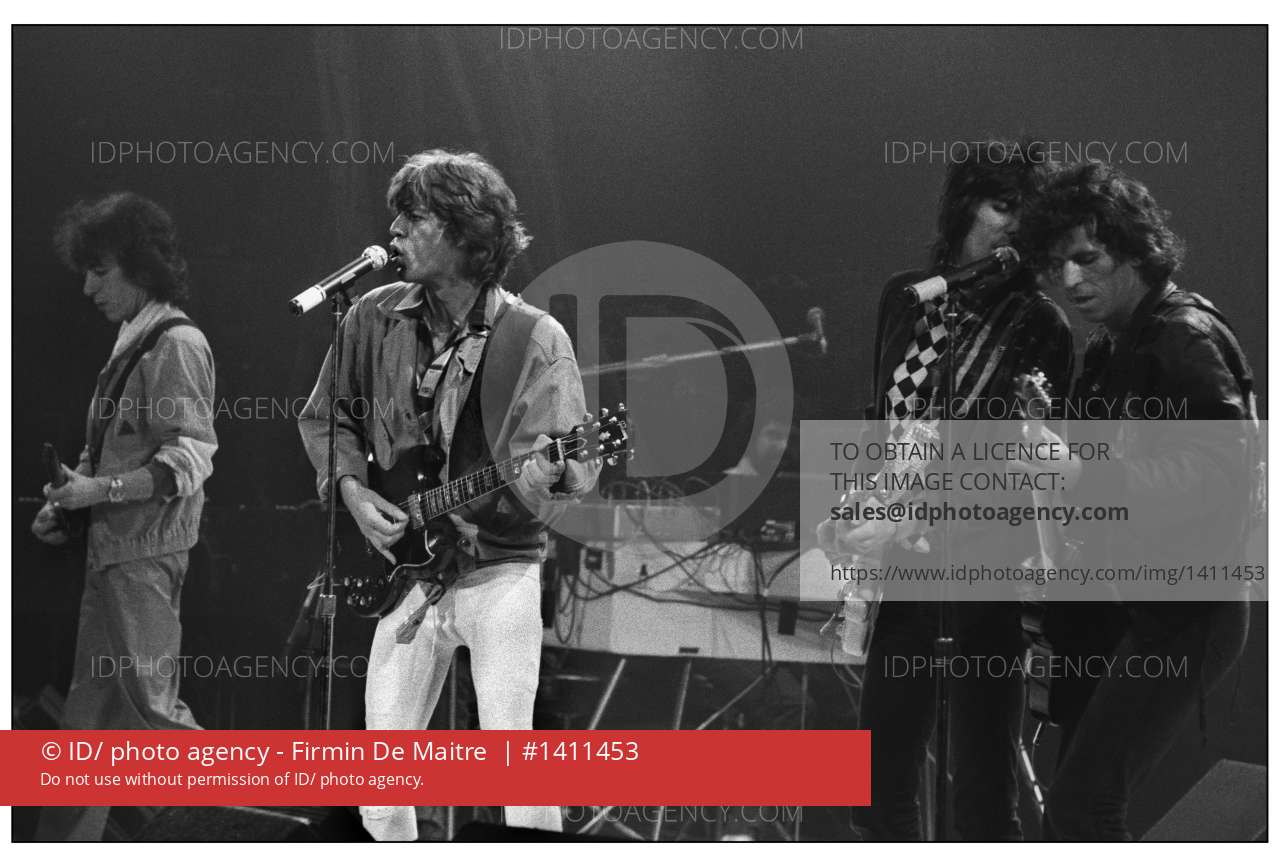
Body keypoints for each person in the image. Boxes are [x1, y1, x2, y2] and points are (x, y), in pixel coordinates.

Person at [298, 149, 597, 841]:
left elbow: (570, 469)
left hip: (499, 564)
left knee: (516, 768)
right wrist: (351, 488)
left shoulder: (534, 336)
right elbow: (327, 418)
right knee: (380, 782)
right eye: (396, 215)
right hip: (404, 570)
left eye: (415, 215)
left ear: (466, 232)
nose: (395, 229)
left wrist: (550, 472)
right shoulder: (370, 316)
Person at [818, 139, 1074, 840]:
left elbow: (1024, 470)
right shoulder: (907, 298)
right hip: (904, 571)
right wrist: (855, 508)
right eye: (1002, 205)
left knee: (983, 795)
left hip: (988, 577)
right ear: (965, 207)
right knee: (876, 787)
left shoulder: (1041, 323)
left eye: (1027, 213)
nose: (1014, 224)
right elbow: (880, 425)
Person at [1017, 161, 1253, 840]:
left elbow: (1223, 471)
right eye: (1055, 265)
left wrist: (1079, 473)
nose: (1069, 280)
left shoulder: (1183, 335)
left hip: (1187, 611)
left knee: (1082, 808)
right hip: (1134, 606)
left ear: (1135, 249)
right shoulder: (1114, 343)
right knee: (1076, 812)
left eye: (1087, 258)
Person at [32, 192, 217, 841]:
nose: (88, 287)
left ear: (140, 267)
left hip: (142, 560)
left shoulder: (176, 343)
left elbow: (187, 459)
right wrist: (68, 503)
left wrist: (97, 491)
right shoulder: (134, 339)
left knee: (153, 714)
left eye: (100, 271)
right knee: (86, 733)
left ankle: (255, 827)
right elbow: (116, 450)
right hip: (112, 557)